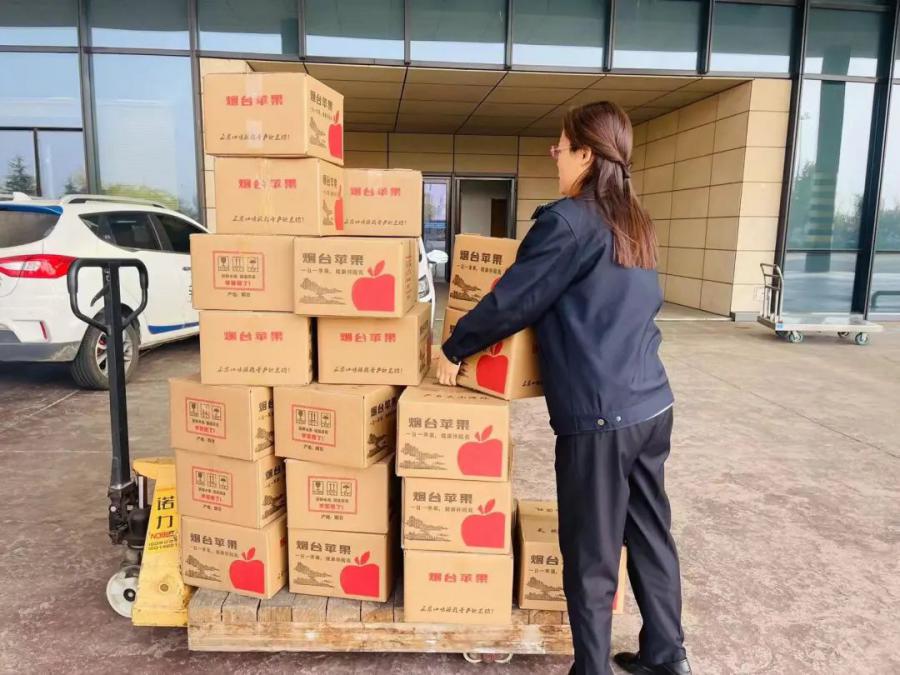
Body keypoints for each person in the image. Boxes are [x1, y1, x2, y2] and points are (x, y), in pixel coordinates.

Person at [435, 101, 692, 675]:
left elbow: (515, 300)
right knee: (650, 533)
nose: (554, 156)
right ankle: (666, 655)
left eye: (560, 146)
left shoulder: (568, 222)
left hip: (601, 418)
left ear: (586, 154)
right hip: (652, 403)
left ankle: (592, 669)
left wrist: (454, 347)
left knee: (591, 551)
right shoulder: (635, 221)